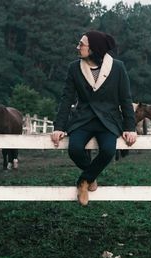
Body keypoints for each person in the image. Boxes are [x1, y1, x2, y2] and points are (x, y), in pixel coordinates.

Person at [51, 30, 137, 206]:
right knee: (74, 149)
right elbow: (66, 99)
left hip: (109, 120)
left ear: (93, 49)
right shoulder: (74, 67)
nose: (78, 47)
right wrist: (59, 126)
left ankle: (84, 181)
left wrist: (131, 127)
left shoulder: (118, 67)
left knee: (107, 151)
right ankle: (92, 175)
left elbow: (125, 99)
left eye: (81, 44)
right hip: (82, 119)